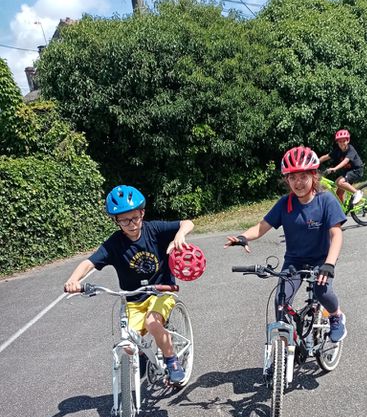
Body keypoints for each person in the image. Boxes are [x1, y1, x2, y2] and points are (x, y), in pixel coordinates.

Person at [64, 184, 195, 384]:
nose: (131, 224)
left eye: (134, 217)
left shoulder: (154, 230)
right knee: (128, 341)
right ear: (116, 221)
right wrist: (74, 279)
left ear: (142, 213)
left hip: (162, 292)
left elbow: (187, 223)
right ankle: (143, 355)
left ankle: (172, 361)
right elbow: (89, 263)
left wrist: (179, 234)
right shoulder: (114, 244)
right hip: (133, 299)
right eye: (124, 220)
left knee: (152, 322)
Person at [225, 145, 348, 343]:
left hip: (321, 260)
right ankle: (284, 343)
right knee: (280, 300)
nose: (298, 183)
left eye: (303, 177)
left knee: (322, 290)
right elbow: (262, 226)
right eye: (293, 177)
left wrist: (329, 264)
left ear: (313, 176)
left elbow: (336, 234)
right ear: (287, 179)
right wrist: (243, 237)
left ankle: (336, 316)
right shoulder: (285, 203)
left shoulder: (326, 200)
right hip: (294, 261)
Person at [318, 129, 364, 205]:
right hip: (347, 171)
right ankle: (342, 211)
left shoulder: (350, 149)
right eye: (340, 141)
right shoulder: (337, 150)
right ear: (337, 142)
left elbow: (345, 161)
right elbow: (325, 157)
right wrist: (314, 163)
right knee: (339, 193)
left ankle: (357, 192)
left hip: (356, 170)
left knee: (339, 182)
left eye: (344, 141)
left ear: (348, 141)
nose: (342, 143)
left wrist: (335, 168)